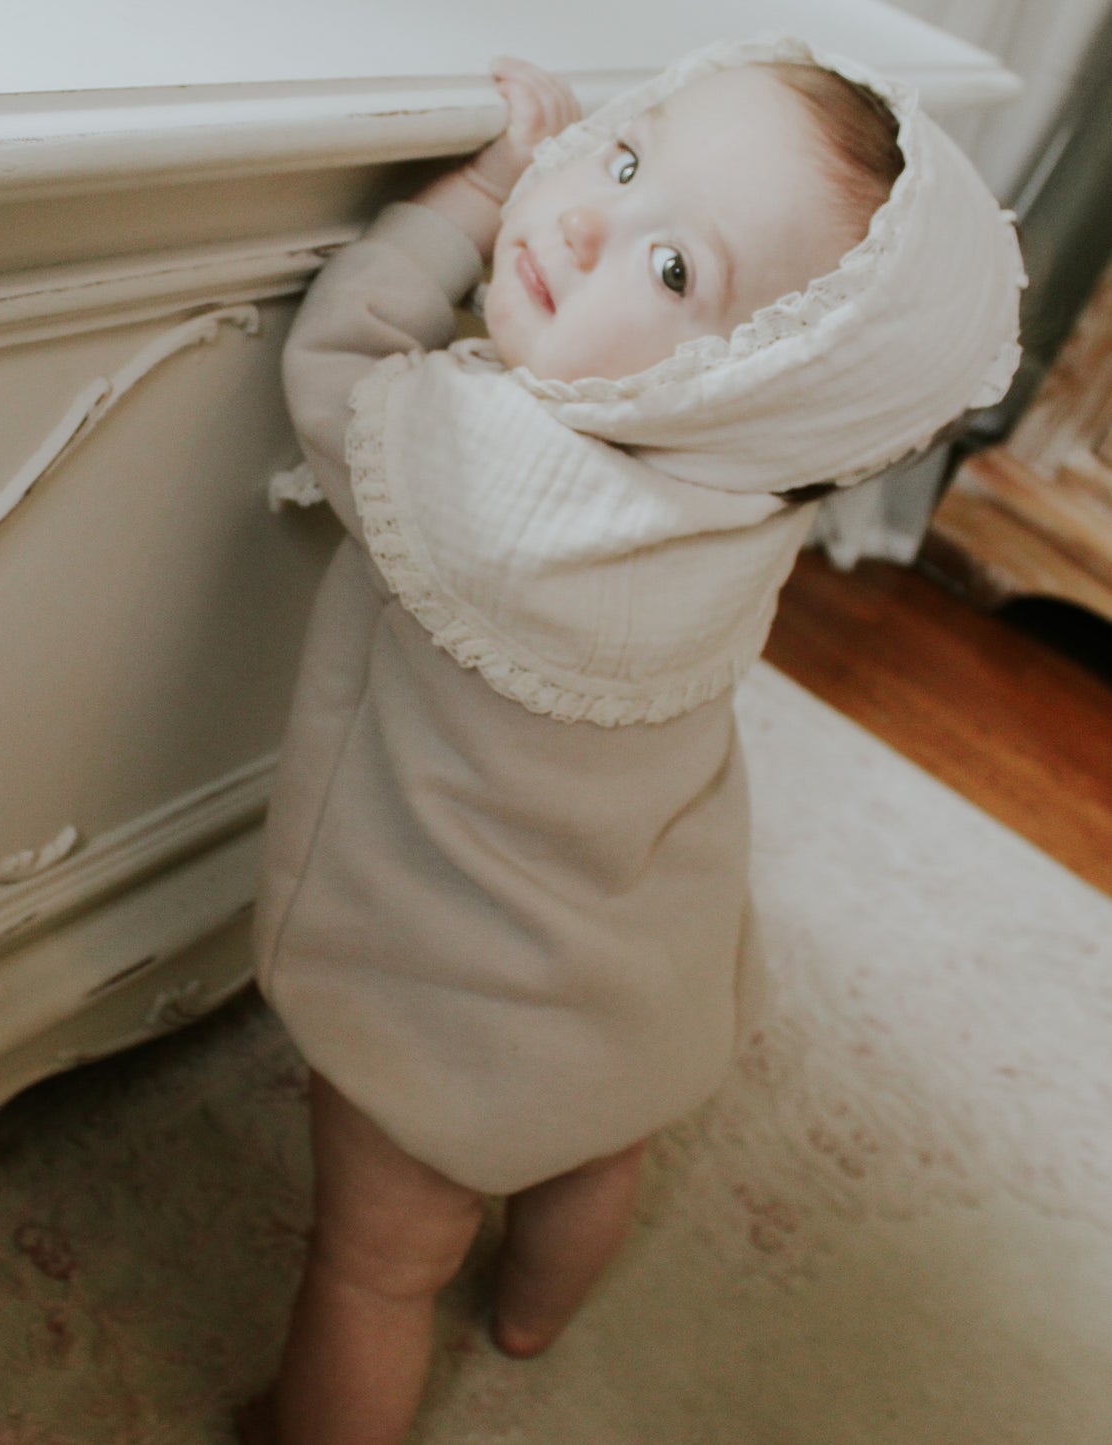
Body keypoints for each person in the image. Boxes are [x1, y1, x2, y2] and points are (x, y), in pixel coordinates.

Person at [241, 35, 1024, 1445]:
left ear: (757, 390)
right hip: (641, 979)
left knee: (373, 1270)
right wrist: (630, 257)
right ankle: (532, 1317)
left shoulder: (478, 475)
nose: (585, 223)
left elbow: (338, 348)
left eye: (672, 271)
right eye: (622, 154)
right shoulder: (749, 499)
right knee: (597, 1151)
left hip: (454, 1005)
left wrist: (476, 195)